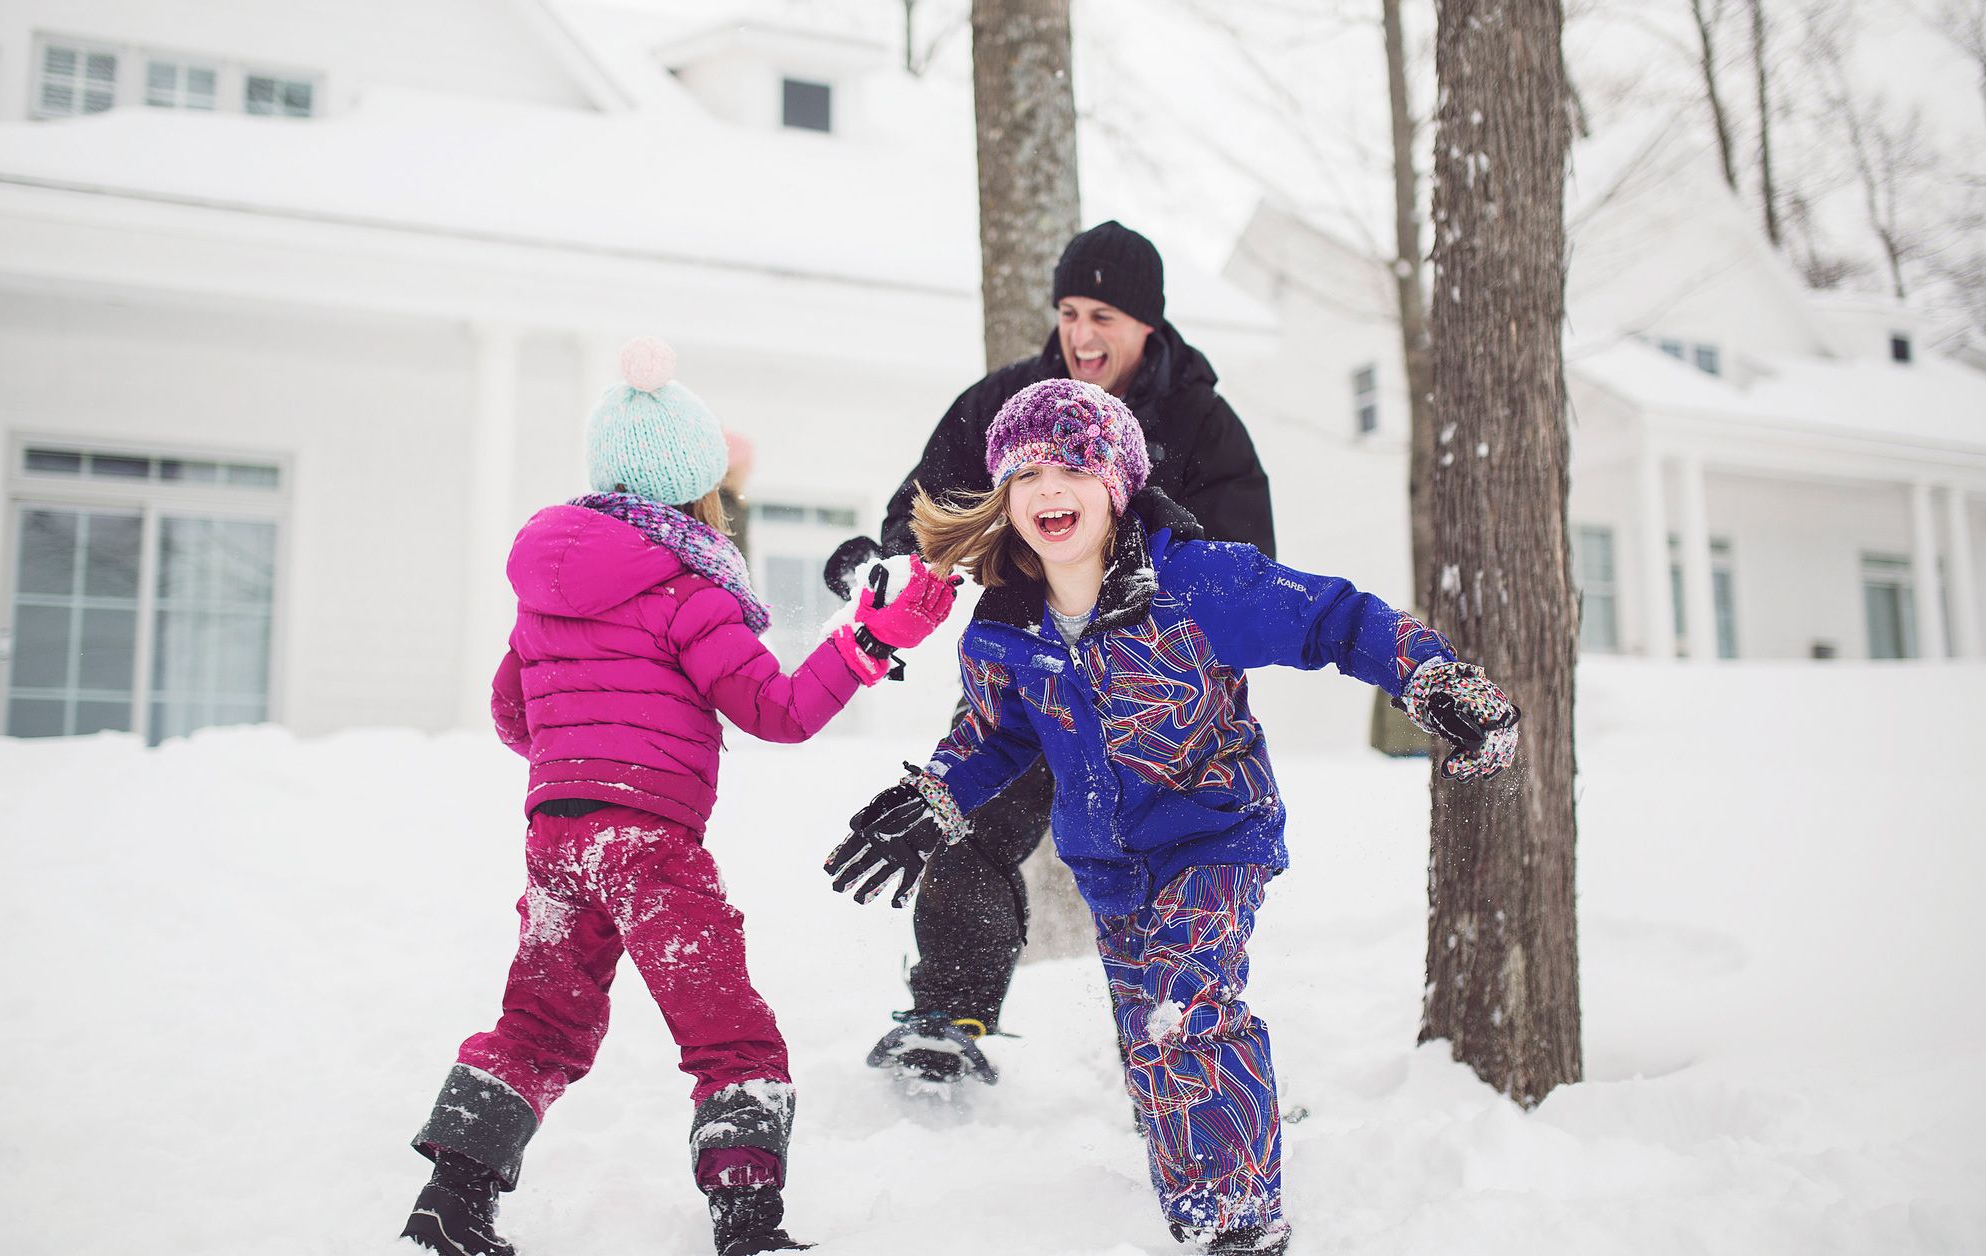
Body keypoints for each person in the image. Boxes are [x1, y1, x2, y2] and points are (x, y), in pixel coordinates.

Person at [824, 379, 1518, 1253]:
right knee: (1149, 1050)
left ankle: (1241, 1223)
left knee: (1189, 1011)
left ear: (1116, 484)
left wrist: (1430, 677)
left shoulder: (1194, 584)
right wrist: (934, 797)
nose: (1048, 490)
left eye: (1072, 467)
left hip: (1215, 835)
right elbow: (994, 736)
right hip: (1110, 865)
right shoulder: (1003, 628)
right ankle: (1196, 1217)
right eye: (1026, 471)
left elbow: (1333, 620)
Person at [401, 338, 960, 1256]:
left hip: (557, 841)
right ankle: (747, 1224)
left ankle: (451, 1199)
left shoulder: (543, 591)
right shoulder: (687, 589)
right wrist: (865, 638)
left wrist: (582, 737)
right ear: (699, 489)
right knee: (726, 1030)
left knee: (540, 1022)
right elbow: (777, 711)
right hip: (651, 843)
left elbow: (512, 715)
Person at [826, 220, 1277, 1083]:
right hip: (1033, 674)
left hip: (1162, 700)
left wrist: (1155, 559)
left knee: (1172, 880)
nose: (1080, 334)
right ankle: (945, 1018)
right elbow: (928, 508)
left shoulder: (1204, 426)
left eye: (1102, 313)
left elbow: (1247, 568)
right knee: (974, 827)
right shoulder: (1011, 402)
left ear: (1149, 324)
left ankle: (1185, 1054)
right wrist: (886, 566)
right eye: (1069, 310)